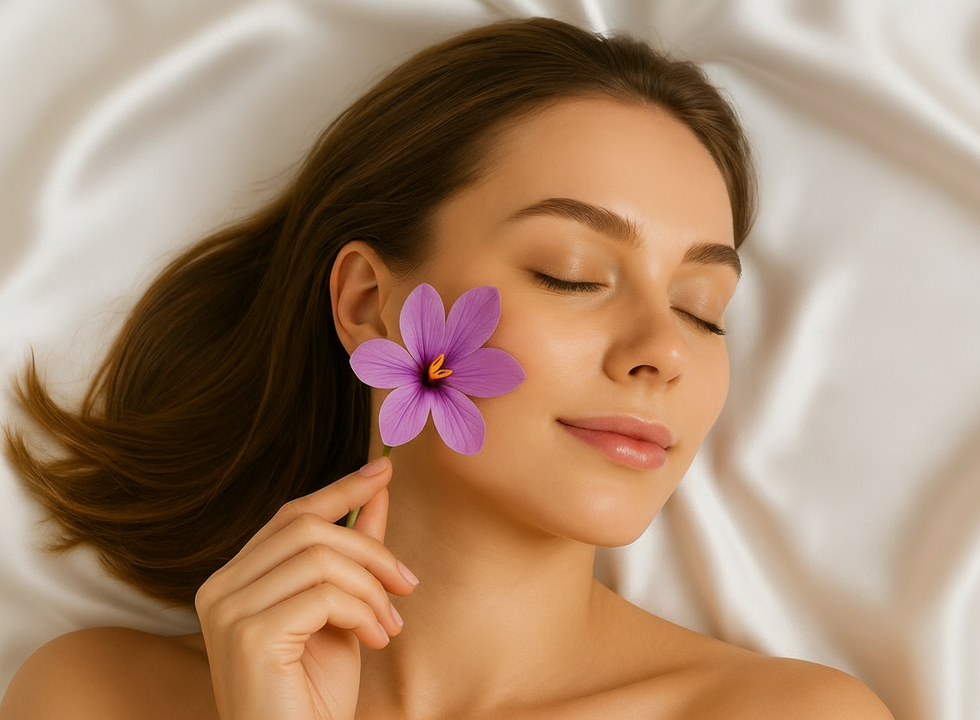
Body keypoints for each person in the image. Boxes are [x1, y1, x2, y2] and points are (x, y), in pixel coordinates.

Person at [0, 16, 894, 720]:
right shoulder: (94, 699)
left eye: (704, 309)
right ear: (366, 304)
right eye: (572, 274)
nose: (662, 350)